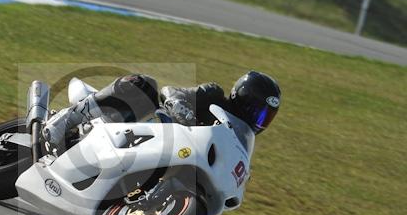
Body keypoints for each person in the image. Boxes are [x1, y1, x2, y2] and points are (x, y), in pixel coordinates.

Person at [42, 71, 281, 149]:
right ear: (243, 99)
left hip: (167, 153)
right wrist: (178, 104)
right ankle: (66, 118)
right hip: (144, 127)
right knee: (144, 84)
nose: (260, 121)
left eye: (266, 117)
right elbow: (172, 91)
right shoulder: (214, 95)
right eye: (258, 112)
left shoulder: (237, 141)